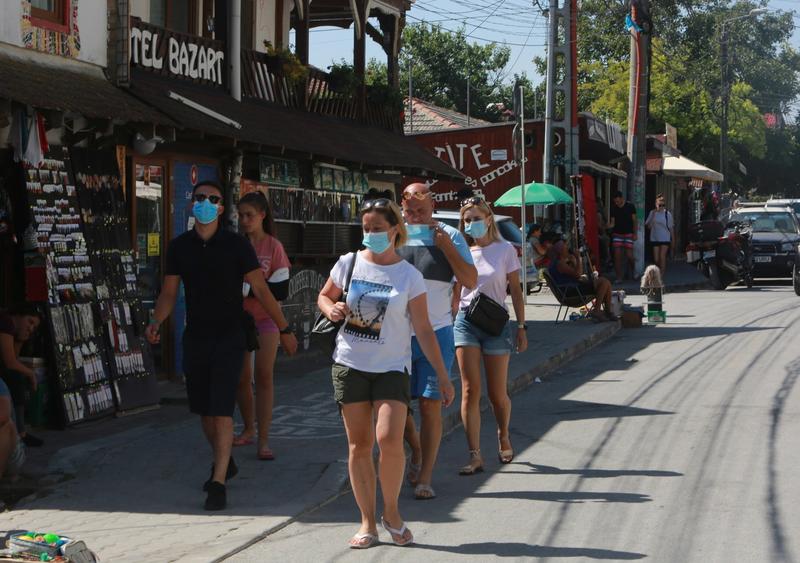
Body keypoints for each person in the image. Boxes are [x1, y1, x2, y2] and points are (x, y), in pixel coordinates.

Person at [145, 180, 298, 511]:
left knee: (221, 408)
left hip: (230, 335)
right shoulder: (179, 247)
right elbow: (169, 293)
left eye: (212, 199)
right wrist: (156, 321)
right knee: (204, 411)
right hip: (196, 335)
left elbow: (262, 289)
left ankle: (217, 482)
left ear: (220, 208)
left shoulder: (236, 245)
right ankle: (225, 461)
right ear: (192, 203)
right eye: (200, 197)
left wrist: (284, 328)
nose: (205, 203)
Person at [317, 198, 455, 549]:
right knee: (359, 445)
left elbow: (423, 329)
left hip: (392, 367)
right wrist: (331, 308)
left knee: (390, 440)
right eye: (366, 228)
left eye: (377, 228)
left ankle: (391, 513)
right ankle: (367, 522)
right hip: (350, 364)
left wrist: (443, 375)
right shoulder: (348, 263)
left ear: (395, 230)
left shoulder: (409, 275)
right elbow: (324, 297)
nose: (371, 234)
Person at [398, 182, 477, 501]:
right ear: (402, 209)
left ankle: (426, 476)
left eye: (422, 210)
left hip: (438, 333)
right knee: (398, 407)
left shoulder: (450, 235)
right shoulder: (393, 234)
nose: (415, 216)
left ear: (433, 206)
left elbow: (470, 280)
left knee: (430, 406)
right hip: (397, 336)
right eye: (410, 211)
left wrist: (446, 247)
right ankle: (416, 449)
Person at [452, 196, 527, 476]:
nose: (472, 223)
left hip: (496, 324)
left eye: (476, 218)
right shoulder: (462, 252)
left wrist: (522, 326)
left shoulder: (505, 249)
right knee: (470, 391)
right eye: (467, 220)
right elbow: (455, 293)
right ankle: (474, 455)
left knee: (497, 394)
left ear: (488, 219)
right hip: (466, 322)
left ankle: (503, 434)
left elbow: (515, 290)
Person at [233, 192, 291, 460]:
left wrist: (250, 289)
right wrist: (255, 288)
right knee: (242, 378)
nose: (245, 220)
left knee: (264, 375)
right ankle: (248, 428)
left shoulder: (273, 247)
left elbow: (279, 291)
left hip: (268, 318)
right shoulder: (235, 245)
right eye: (241, 215)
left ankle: (264, 440)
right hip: (239, 318)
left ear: (262, 216)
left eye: (250, 215)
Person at [0, 303, 42, 447]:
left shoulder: (13, 329)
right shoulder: (6, 321)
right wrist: (31, 374)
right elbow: (10, 362)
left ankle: (20, 430)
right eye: (30, 322)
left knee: (17, 376)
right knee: (16, 377)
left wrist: (20, 339)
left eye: (34, 327)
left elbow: (14, 359)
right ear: (19, 315)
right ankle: (20, 432)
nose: (31, 328)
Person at [548, 241, 615, 321]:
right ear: (561, 251)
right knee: (603, 282)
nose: (568, 250)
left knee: (606, 282)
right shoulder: (560, 264)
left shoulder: (559, 262)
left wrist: (574, 262)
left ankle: (607, 311)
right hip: (571, 291)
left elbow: (576, 274)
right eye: (566, 248)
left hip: (572, 288)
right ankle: (598, 311)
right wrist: (578, 258)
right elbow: (578, 274)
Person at [608, 190, 638, 282]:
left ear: (622, 198)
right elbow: (612, 223)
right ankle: (619, 277)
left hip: (628, 233)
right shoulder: (614, 208)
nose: (616, 203)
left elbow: (634, 221)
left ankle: (634, 270)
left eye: (618, 201)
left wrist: (635, 233)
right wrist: (605, 226)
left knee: (629, 255)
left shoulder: (630, 206)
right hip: (617, 234)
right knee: (617, 257)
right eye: (615, 202)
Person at [645, 193, 674, 276]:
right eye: (660, 205)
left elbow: (671, 229)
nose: (661, 207)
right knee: (656, 259)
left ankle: (662, 274)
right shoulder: (652, 213)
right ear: (656, 204)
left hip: (665, 238)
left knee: (662, 256)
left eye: (663, 205)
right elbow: (648, 226)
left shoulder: (667, 214)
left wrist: (673, 241)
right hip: (655, 238)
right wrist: (654, 215)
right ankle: (659, 270)